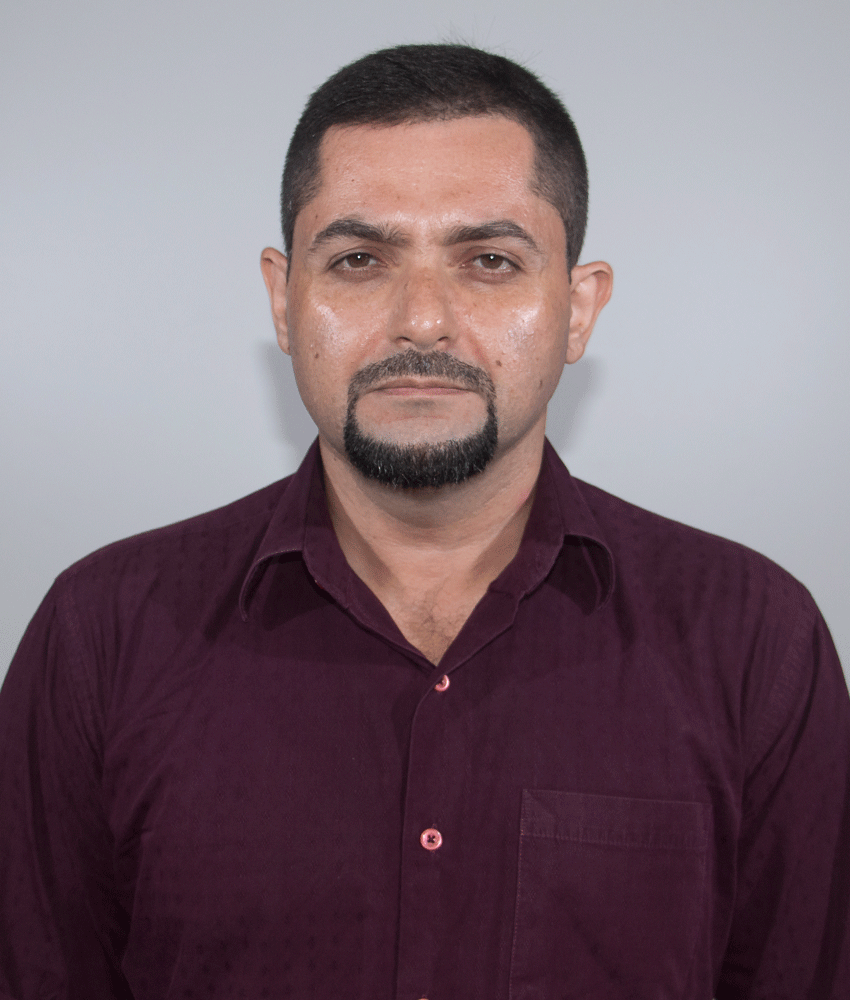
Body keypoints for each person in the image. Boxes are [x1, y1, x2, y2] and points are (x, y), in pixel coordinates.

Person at [1, 42, 848, 1000]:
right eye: (359, 260)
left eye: (489, 261)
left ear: (578, 309)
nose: (421, 319)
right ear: (283, 299)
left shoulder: (753, 643)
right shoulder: (101, 637)